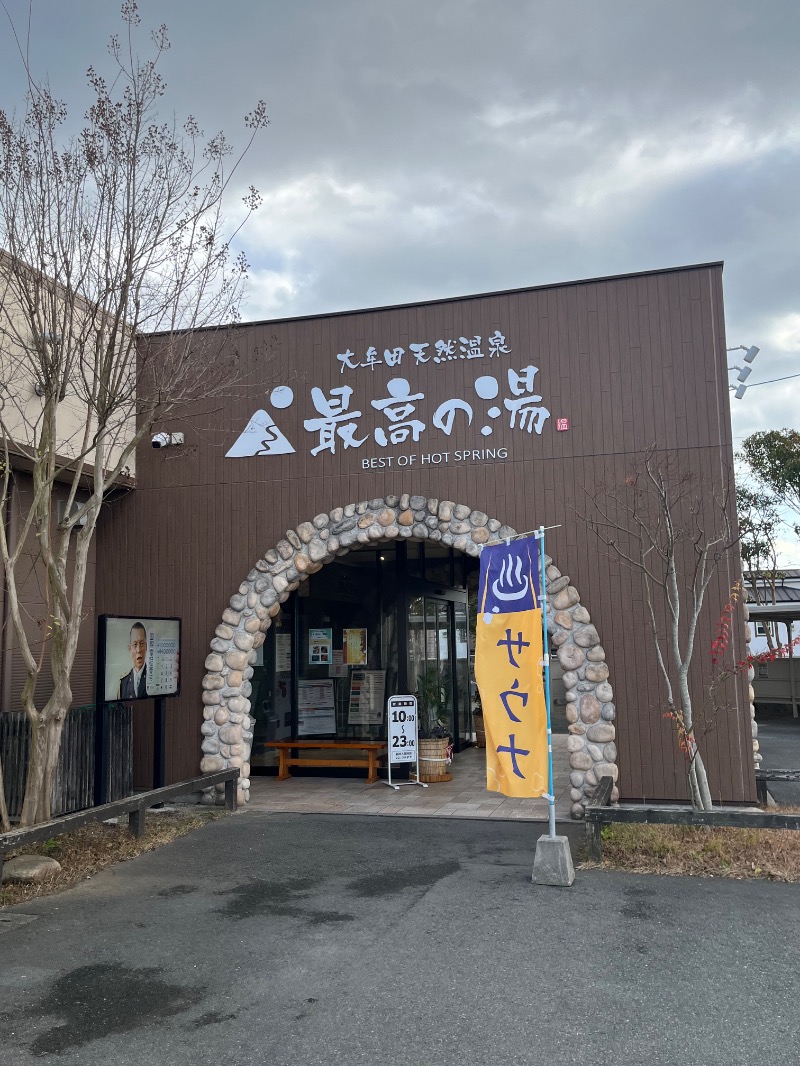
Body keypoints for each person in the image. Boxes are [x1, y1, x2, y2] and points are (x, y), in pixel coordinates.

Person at [119, 622, 148, 699]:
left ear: (146, 646)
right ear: (130, 649)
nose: (138, 650)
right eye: (135, 644)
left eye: (142, 644)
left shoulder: (154, 677)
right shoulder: (124, 682)